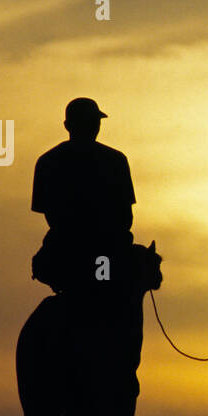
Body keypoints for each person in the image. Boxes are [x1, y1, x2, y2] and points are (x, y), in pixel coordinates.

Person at [30, 98, 136, 306]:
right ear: (69, 126)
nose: (94, 127)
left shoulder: (48, 161)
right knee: (106, 287)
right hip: (100, 252)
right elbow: (125, 215)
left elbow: (48, 214)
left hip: (67, 252)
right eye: (90, 122)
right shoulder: (115, 160)